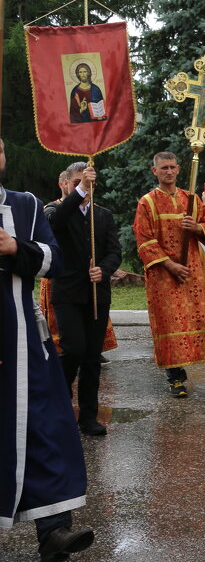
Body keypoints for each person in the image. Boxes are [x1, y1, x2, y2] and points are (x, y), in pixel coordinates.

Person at [0, 138, 95, 562]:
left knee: (47, 426)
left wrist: (14, 248)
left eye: (0, 149)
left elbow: (53, 260)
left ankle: (54, 532)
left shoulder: (24, 205)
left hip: (22, 340)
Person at [44, 162, 122, 436]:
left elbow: (114, 251)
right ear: (65, 184)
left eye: (88, 183)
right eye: (78, 182)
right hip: (67, 293)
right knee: (73, 349)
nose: (85, 187)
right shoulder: (54, 210)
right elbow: (56, 223)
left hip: (97, 294)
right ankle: (60, 407)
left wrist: (105, 269)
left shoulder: (103, 214)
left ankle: (88, 416)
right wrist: (80, 190)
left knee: (91, 357)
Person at [133, 151, 205, 397]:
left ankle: (186, 366)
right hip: (163, 274)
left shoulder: (191, 199)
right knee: (168, 323)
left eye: (172, 167)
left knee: (190, 320)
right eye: (164, 168)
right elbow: (145, 241)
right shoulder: (147, 202)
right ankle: (175, 377)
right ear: (154, 171)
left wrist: (197, 227)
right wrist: (170, 265)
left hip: (190, 270)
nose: (168, 171)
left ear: (179, 170)